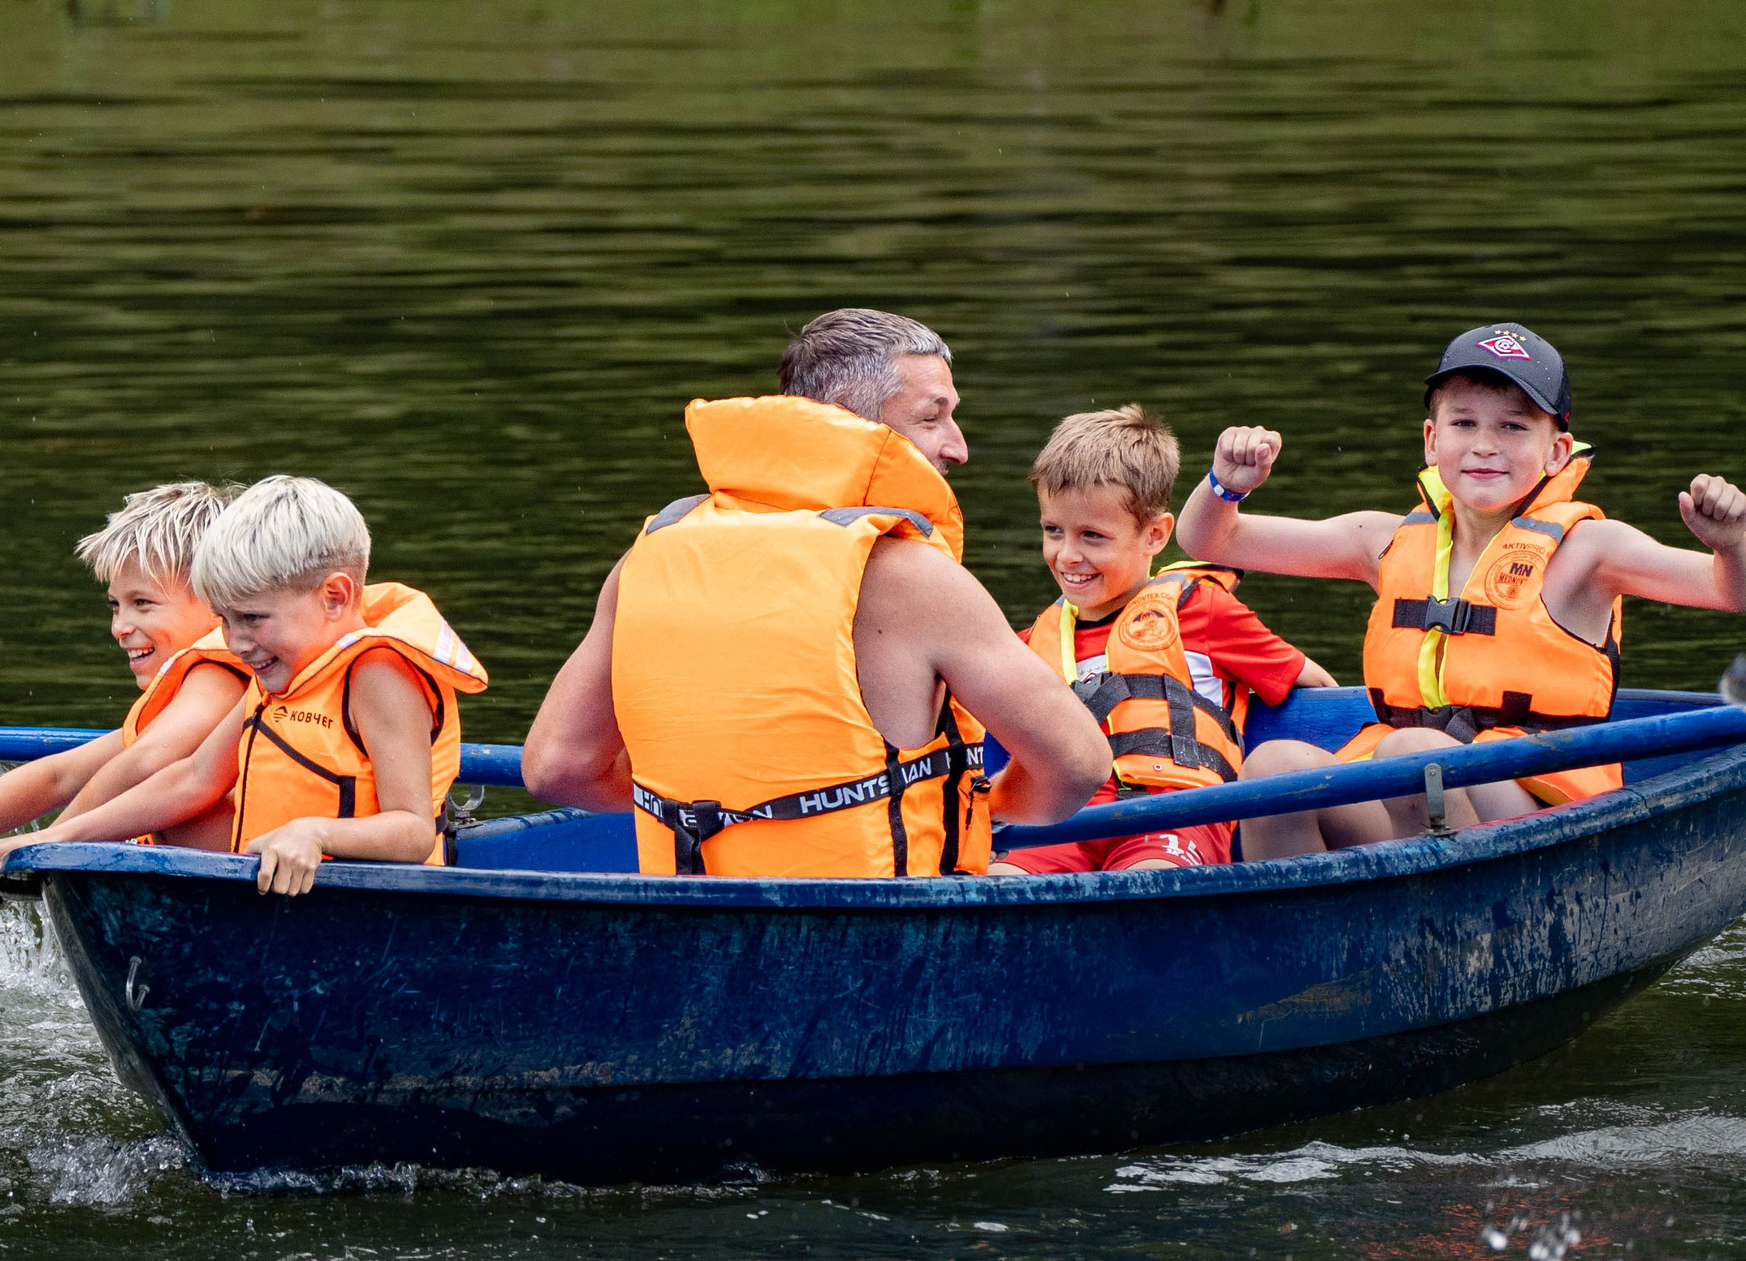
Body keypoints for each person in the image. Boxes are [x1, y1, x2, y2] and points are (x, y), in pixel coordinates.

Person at [520, 307, 1109, 877]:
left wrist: (727, 813)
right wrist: (981, 806)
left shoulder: (650, 554)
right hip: (876, 925)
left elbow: (557, 768)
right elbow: (1077, 765)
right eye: (931, 419)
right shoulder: (915, 577)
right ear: (857, 426)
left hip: (693, 912)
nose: (957, 447)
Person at [1176, 322, 1746, 858]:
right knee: (1274, 767)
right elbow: (1212, 539)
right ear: (1431, 439)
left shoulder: (1592, 551)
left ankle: (1450, 931)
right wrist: (1226, 485)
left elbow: (1731, 592)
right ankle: (1303, 942)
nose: (1484, 445)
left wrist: (1734, 543)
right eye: (1464, 423)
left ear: (1556, 451)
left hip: (1539, 820)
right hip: (1415, 788)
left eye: (1513, 426)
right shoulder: (1382, 539)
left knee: (1415, 755)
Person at [32, 475, 488, 896]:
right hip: (286, 901)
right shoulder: (282, 670)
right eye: (225, 621)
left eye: (252, 619)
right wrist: (54, 840)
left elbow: (411, 831)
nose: (236, 643)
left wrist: (315, 832)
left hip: (374, 910)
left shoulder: (378, 675)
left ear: (334, 597)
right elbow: (193, 779)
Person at [0, 480, 250, 931]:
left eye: (143, 604)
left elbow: (151, 759)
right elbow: (57, 776)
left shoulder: (221, 673)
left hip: (247, 909)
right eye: (115, 605)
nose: (119, 626)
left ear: (219, 603)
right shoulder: (191, 697)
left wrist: (50, 846)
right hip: (218, 908)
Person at [990, 406, 1335, 877]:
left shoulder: (1202, 612)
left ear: (1155, 535)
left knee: (1144, 883)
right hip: (1063, 820)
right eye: (1053, 530)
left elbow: (1317, 691)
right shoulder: (1028, 644)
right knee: (1001, 884)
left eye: (1092, 536)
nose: (1067, 555)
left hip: (1174, 814)